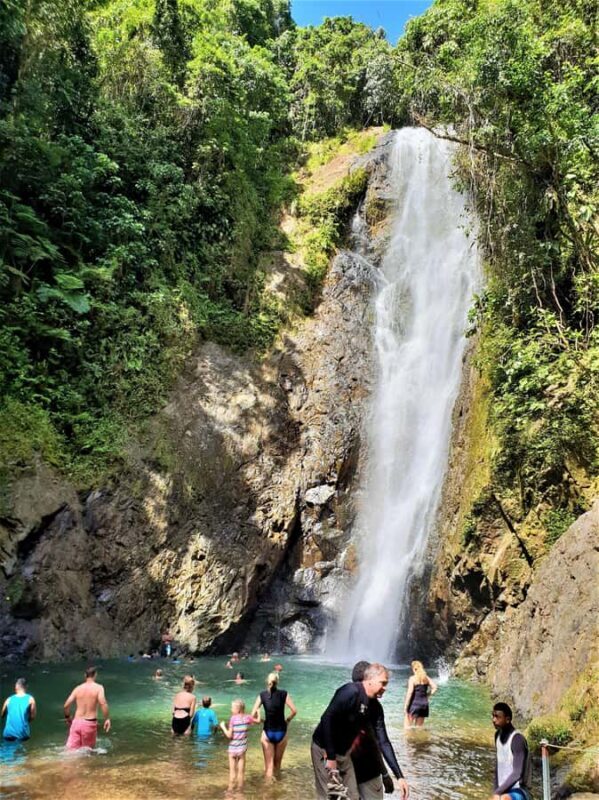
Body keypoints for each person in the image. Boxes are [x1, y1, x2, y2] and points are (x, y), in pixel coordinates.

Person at [312, 662, 395, 800]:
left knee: (352, 796)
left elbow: (379, 742)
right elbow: (326, 718)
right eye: (383, 683)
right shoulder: (349, 692)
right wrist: (331, 757)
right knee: (328, 794)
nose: (385, 688)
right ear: (369, 679)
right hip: (324, 749)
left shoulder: (372, 706)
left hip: (343, 753)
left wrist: (393, 775)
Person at [350, 662, 409, 799]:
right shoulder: (375, 707)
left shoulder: (371, 707)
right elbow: (382, 743)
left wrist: (396, 775)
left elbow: (380, 743)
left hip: (352, 771)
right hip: (366, 773)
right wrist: (392, 775)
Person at [251, 671, 297, 779]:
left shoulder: (262, 695)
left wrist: (261, 720)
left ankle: (267, 788)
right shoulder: (284, 694)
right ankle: (278, 788)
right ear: (277, 682)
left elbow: (252, 715)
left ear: (267, 681)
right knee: (277, 766)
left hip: (268, 732)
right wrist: (287, 720)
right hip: (282, 732)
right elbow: (294, 711)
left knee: (269, 767)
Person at [491, 702, 532, 800]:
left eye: (497, 717)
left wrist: (497, 792)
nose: (493, 720)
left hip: (519, 790)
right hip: (503, 789)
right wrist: (495, 791)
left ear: (508, 719)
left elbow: (517, 773)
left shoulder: (517, 739)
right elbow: (498, 766)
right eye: (493, 716)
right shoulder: (497, 736)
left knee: (504, 798)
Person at [63, 666, 110, 750]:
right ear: (95, 675)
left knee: (71, 751)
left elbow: (66, 705)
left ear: (85, 675)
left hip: (76, 723)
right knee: (88, 752)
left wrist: (67, 717)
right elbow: (103, 703)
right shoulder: (99, 688)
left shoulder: (78, 688)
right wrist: (107, 719)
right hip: (89, 723)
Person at [220, 699, 258, 792]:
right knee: (241, 773)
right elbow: (257, 720)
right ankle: (239, 792)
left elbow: (229, 735)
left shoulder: (233, 719)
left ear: (238, 710)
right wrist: (258, 712)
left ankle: (229, 792)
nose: (231, 709)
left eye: (232, 708)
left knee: (232, 773)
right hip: (241, 751)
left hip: (232, 750)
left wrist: (223, 727)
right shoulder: (247, 718)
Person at [403, 660, 437, 728]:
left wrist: (405, 706)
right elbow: (435, 687)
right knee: (419, 728)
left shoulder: (412, 678)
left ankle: (409, 736)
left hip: (413, 705)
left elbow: (410, 692)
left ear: (414, 669)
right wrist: (427, 695)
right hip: (424, 705)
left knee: (407, 728)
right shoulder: (426, 678)